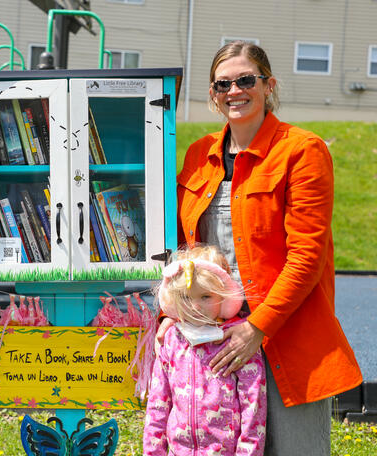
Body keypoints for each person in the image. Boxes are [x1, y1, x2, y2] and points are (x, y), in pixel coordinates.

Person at [165, 41, 362, 455]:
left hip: (282, 337)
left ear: (268, 85)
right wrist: (172, 314)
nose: (234, 90)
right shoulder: (200, 154)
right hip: (209, 336)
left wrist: (257, 328)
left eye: (246, 80)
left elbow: (307, 257)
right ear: (213, 94)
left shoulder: (301, 151)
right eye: (223, 84)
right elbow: (185, 248)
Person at [144, 245, 266, 456]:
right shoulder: (172, 340)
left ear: (225, 297)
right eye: (186, 297)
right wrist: (153, 451)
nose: (195, 307)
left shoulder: (237, 342)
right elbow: (157, 403)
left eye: (205, 297)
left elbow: (253, 407)